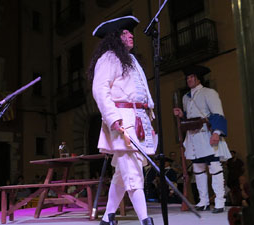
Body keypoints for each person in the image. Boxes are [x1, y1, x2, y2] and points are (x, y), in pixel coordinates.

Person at [88, 15, 158, 225]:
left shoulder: (132, 60)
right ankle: (145, 219)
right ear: (115, 38)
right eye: (125, 33)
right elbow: (100, 90)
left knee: (122, 172)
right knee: (133, 171)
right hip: (122, 121)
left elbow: (142, 92)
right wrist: (113, 118)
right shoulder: (109, 58)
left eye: (130, 32)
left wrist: (149, 118)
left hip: (138, 119)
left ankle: (108, 217)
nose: (130, 35)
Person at [173, 65, 231, 213]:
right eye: (188, 78)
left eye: (192, 77)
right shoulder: (186, 98)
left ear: (198, 79)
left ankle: (219, 202)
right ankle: (203, 201)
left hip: (207, 134)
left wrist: (216, 132)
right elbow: (190, 117)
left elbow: (217, 113)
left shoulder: (209, 93)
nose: (189, 80)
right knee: (198, 169)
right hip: (193, 137)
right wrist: (182, 115)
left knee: (215, 167)